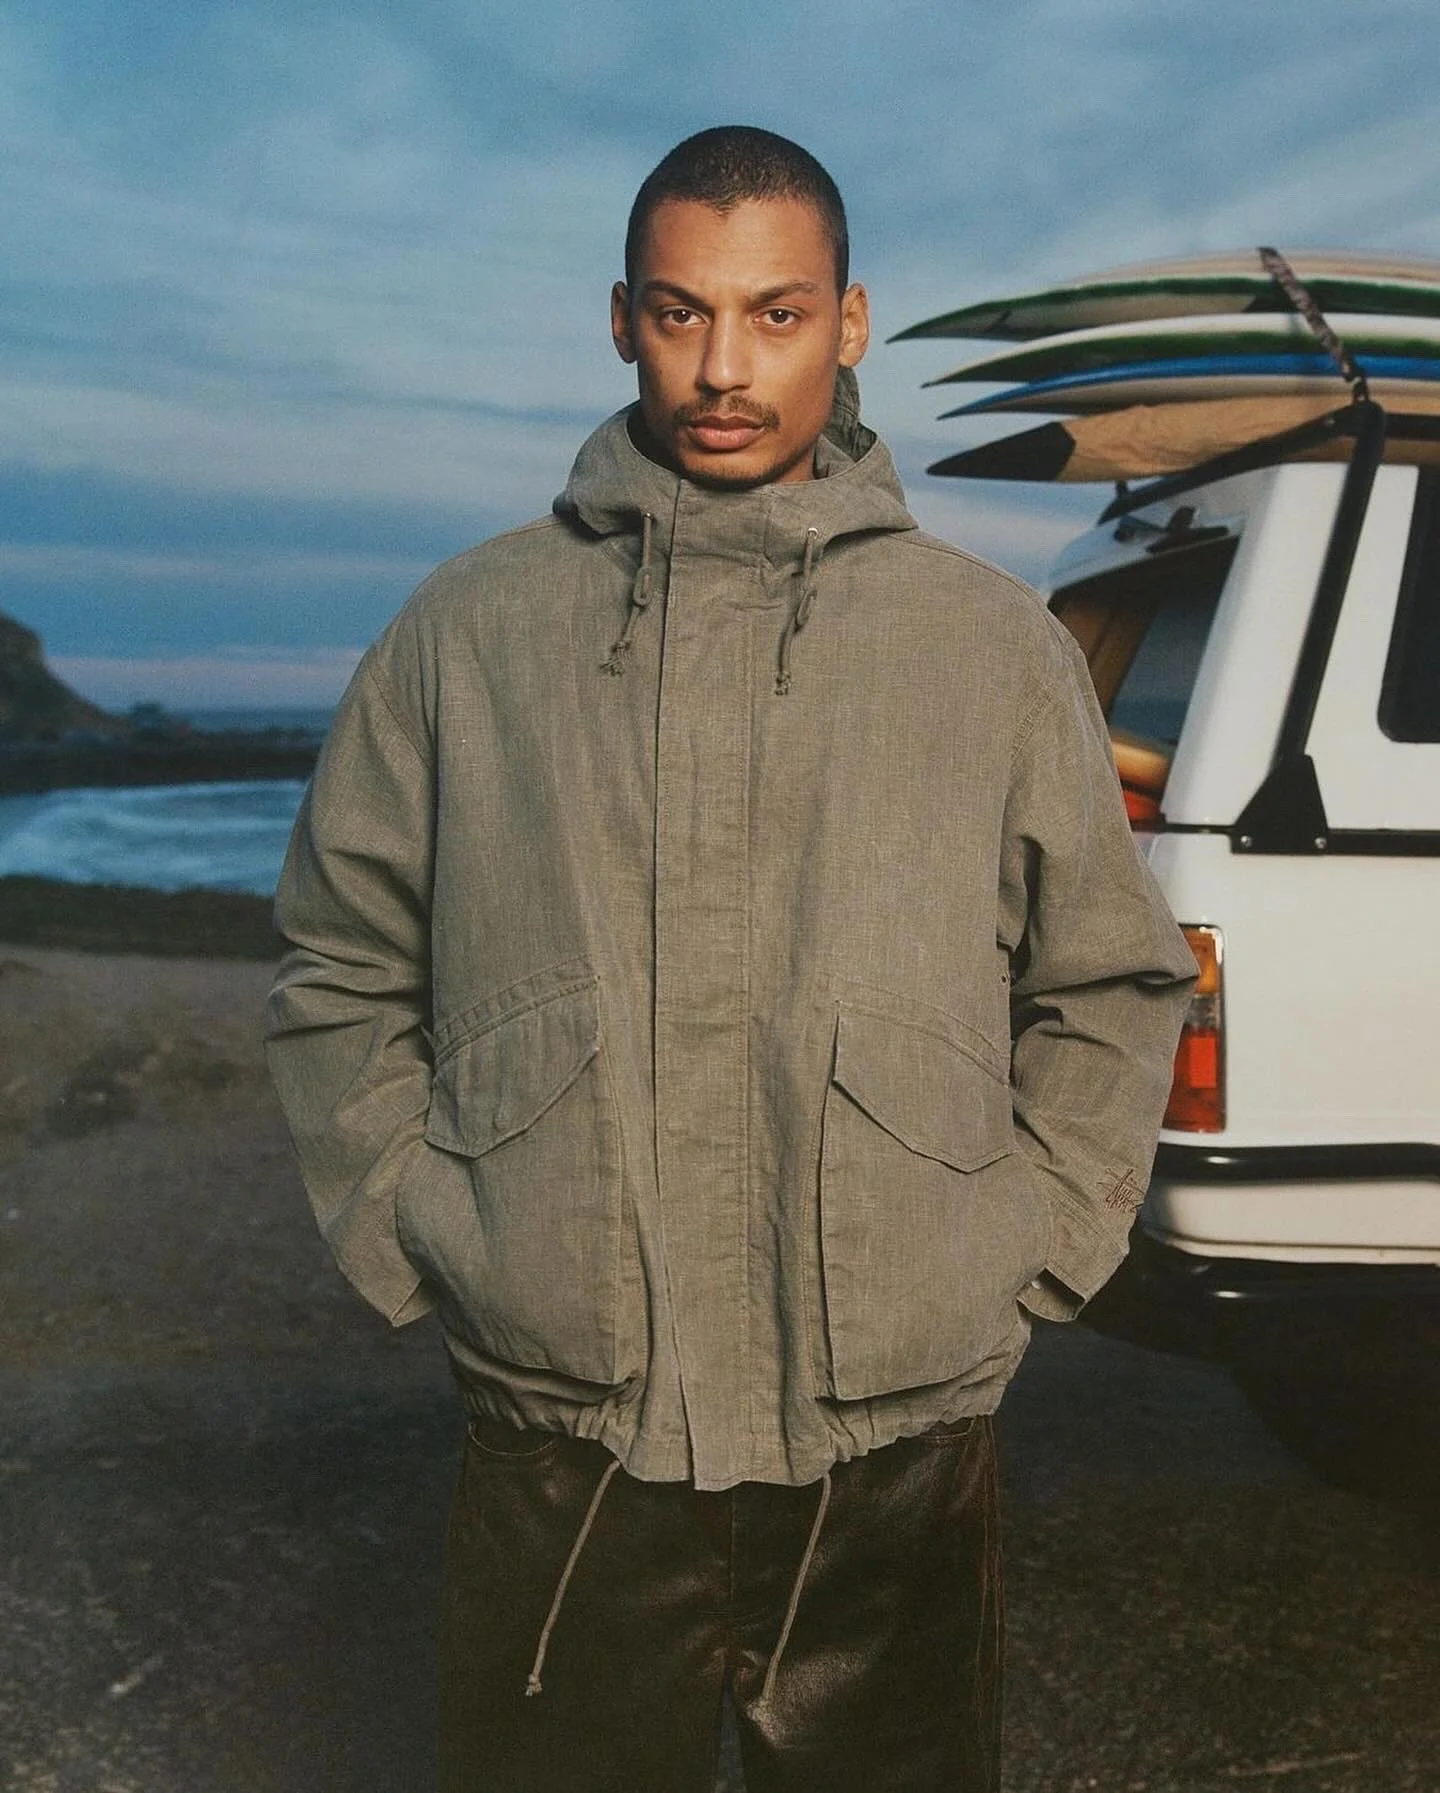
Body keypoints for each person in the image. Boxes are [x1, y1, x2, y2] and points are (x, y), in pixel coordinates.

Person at [265, 125, 1198, 1793]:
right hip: (567, 1422)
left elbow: (1108, 982)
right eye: (682, 312)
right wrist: (429, 1229)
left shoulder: (990, 647)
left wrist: (1031, 1245)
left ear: (849, 322)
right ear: (622, 319)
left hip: (894, 1420)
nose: (723, 368)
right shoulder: (465, 632)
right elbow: (341, 963)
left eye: (776, 314)